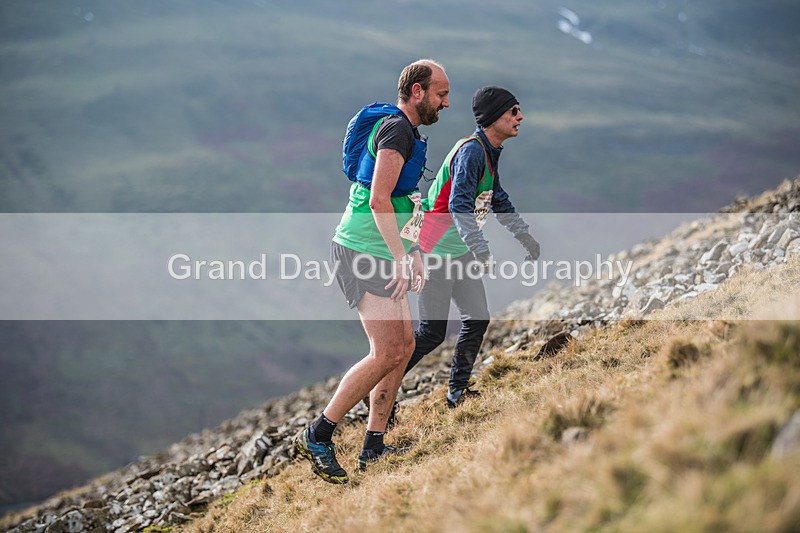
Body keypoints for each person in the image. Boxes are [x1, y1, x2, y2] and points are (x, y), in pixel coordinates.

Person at [294, 59, 450, 484]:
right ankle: (318, 434)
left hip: (384, 250)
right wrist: (402, 256)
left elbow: (403, 201)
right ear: (417, 92)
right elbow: (380, 199)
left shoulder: (407, 132)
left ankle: (373, 445)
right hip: (362, 251)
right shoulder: (396, 130)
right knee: (385, 352)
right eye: (440, 94)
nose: (446, 102)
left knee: (402, 348)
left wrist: (412, 250)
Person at [404, 85, 540, 408]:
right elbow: (459, 203)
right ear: (494, 118)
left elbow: (497, 199)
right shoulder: (472, 152)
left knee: (477, 318)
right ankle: (382, 390)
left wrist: (525, 237)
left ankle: (457, 393)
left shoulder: (488, 152)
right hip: (436, 251)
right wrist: (480, 247)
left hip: (459, 250)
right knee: (431, 334)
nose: (520, 117)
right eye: (513, 111)